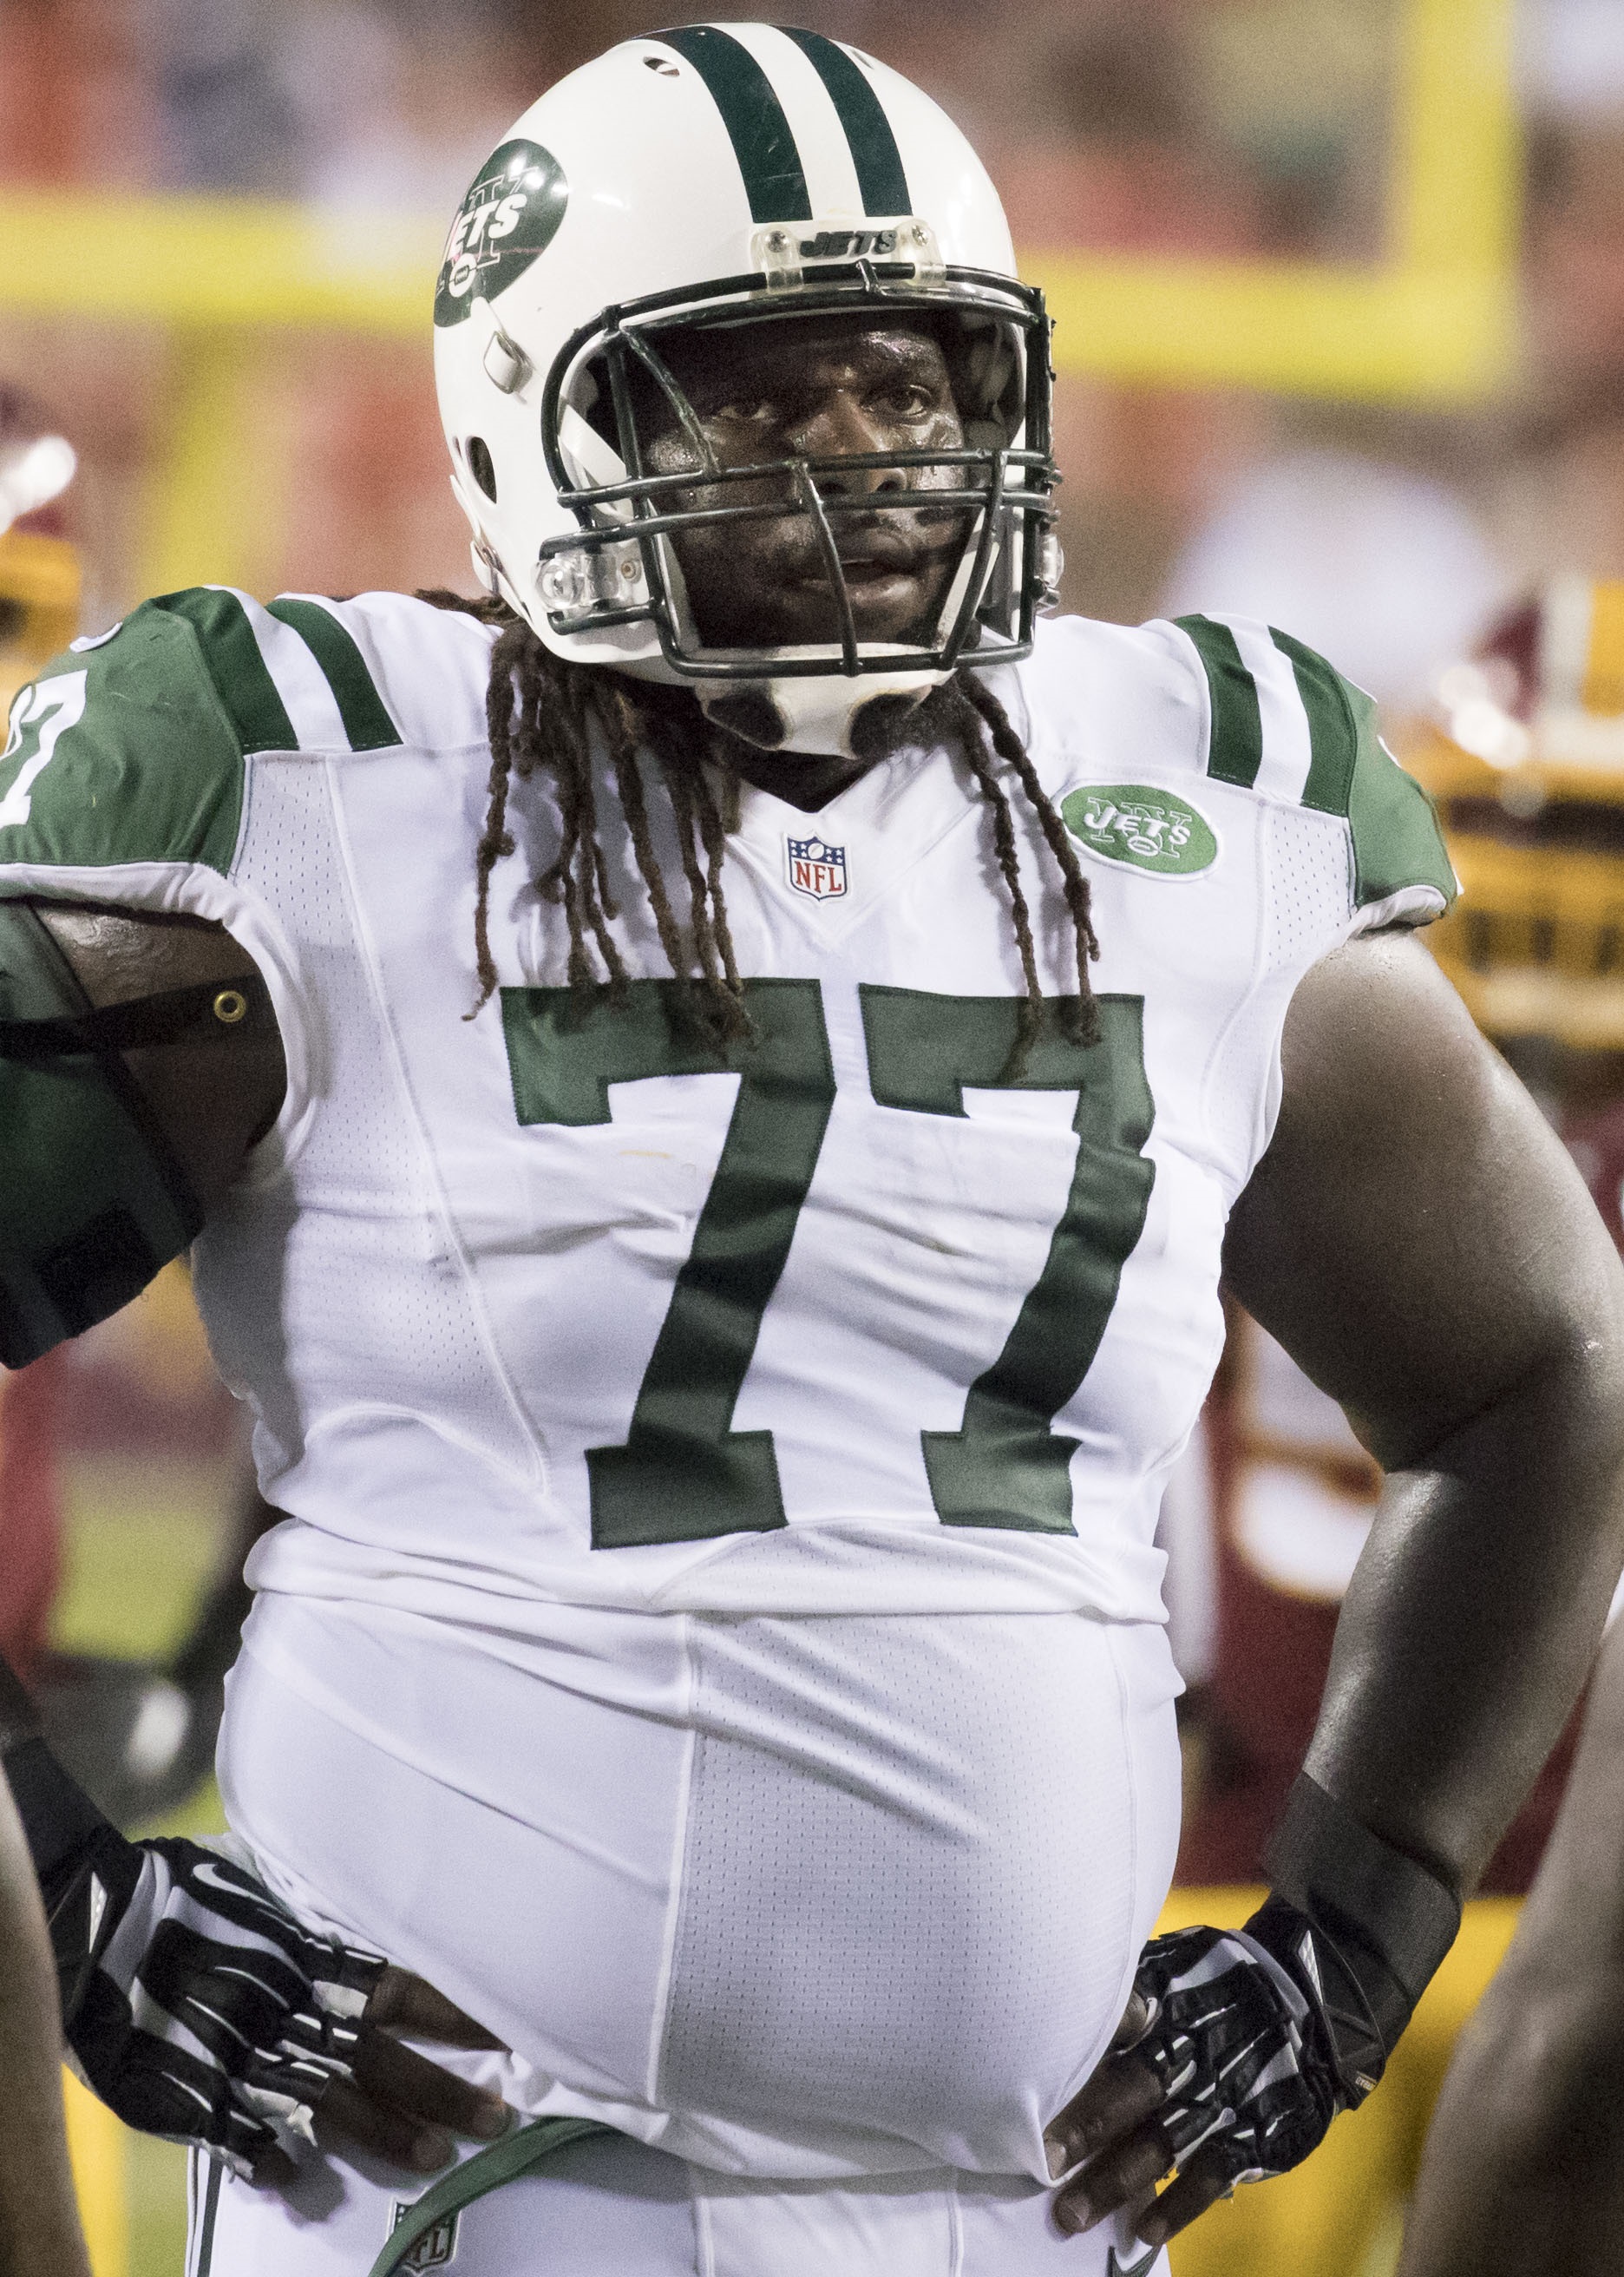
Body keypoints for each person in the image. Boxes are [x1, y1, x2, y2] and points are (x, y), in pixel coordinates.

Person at [2, 26, 1624, 2276]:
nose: (864, 453)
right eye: (757, 397)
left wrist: (1353, 1934)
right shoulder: (317, 771)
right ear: (526, 412)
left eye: (915, 382)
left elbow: (1539, 1371)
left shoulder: (1194, 794)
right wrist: (66, 1877)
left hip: (1029, 2202)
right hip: (468, 2172)